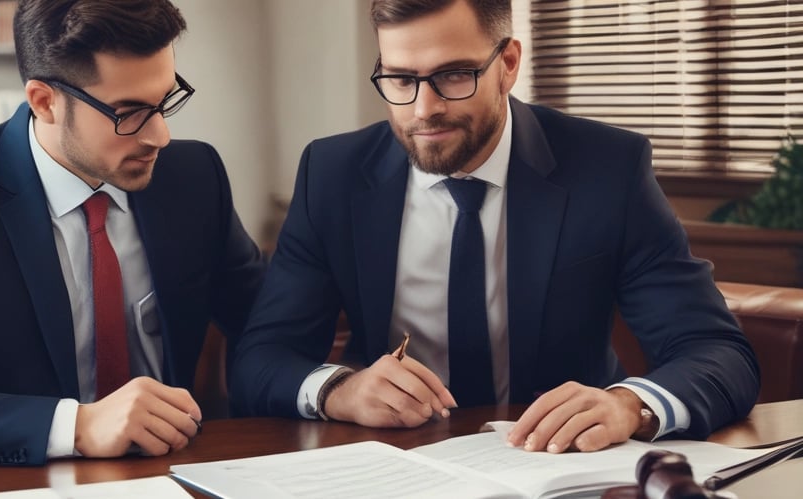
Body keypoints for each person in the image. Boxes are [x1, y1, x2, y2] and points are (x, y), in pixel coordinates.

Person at [230, 0, 759, 453]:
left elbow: (718, 352)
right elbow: (261, 358)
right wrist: (339, 391)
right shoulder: (333, 174)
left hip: (558, 463)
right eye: (399, 79)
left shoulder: (608, 169)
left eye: (454, 75)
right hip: (393, 465)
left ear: (507, 63)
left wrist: (630, 407)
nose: (424, 109)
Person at [0, 0, 265, 466]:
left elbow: (267, 327)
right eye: (129, 113)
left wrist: (333, 388)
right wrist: (78, 426)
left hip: (175, 472)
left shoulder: (194, 177)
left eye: (165, 100)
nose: (160, 136)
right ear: (44, 102)